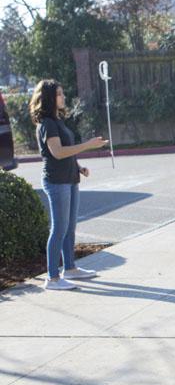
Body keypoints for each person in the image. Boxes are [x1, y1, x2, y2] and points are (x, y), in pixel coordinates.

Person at [31, 79, 108, 291]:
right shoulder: (47, 123)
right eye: (59, 94)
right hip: (56, 182)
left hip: (70, 178)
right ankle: (53, 278)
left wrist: (78, 167)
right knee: (59, 229)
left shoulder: (58, 121)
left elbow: (67, 152)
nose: (63, 97)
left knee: (70, 227)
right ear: (48, 98)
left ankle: (70, 269)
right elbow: (57, 152)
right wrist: (88, 146)